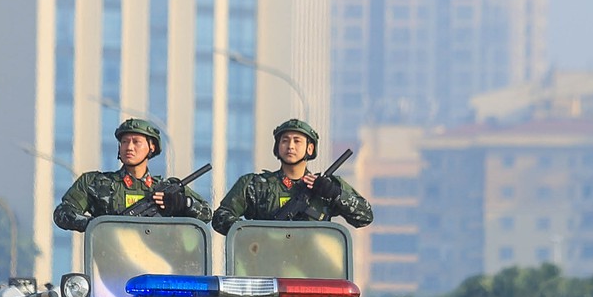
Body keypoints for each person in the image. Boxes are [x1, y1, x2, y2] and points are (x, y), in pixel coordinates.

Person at [212, 119, 373, 233]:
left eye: (297, 141)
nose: (290, 146)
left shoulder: (325, 186)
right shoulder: (256, 186)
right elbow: (221, 217)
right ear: (277, 147)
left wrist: (335, 193)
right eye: (285, 141)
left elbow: (365, 216)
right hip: (264, 264)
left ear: (310, 149)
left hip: (312, 267)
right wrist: (252, 233)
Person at [52, 117, 211, 230]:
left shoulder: (167, 188)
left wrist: (183, 204)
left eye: (136, 142)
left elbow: (207, 214)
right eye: (124, 142)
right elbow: (63, 213)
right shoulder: (95, 183)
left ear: (152, 147)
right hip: (109, 262)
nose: (129, 147)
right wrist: (98, 226)